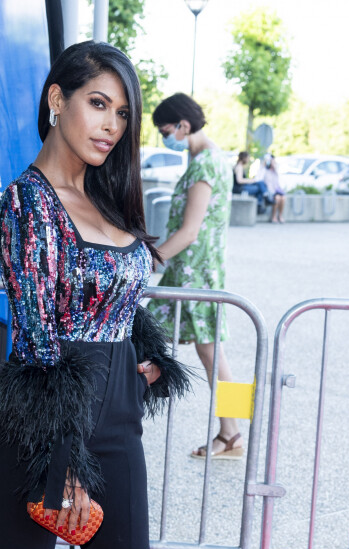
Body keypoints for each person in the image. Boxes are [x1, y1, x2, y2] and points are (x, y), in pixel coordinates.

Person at [0, 41, 190, 549]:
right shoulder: (29, 201)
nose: (111, 125)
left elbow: (114, 297)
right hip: (40, 426)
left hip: (117, 415)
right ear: (56, 99)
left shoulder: (106, 195)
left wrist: (144, 362)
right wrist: (59, 455)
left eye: (122, 113)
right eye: (98, 103)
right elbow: (35, 334)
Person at [147, 93, 244, 461]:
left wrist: (149, 258)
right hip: (192, 273)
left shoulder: (205, 166)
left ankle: (232, 432)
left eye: (165, 130)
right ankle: (231, 432)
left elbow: (189, 231)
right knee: (210, 354)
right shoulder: (210, 159)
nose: (164, 137)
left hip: (194, 275)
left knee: (211, 354)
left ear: (183, 126)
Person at [257, 153, 286, 223]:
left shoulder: (276, 170)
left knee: (283, 198)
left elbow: (280, 178)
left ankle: (280, 215)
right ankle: (273, 216)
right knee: (277, 198)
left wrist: (275, 167)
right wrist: (264, 165)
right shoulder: (265, 170)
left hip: (277, 190)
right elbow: (259, 178)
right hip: (270, 191)